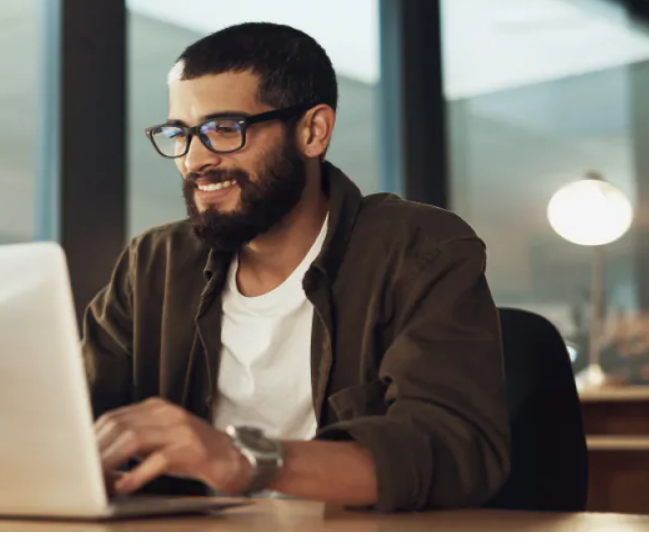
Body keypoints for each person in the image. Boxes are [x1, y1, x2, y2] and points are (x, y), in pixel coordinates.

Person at [83, 22, 510, 513]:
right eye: (180, 133)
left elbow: (455, 449)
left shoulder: (418, 248)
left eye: (224, 129)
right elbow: (73, 415)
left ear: (313, 131)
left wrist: (244, 460)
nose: (194, 159)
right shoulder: (153, 263)